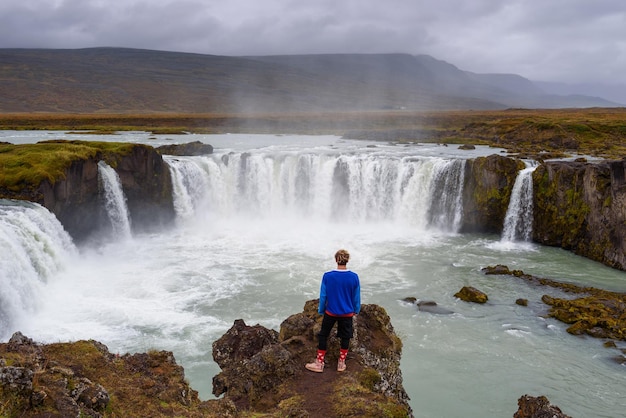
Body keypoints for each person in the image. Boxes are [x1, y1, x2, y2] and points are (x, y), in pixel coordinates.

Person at [305, 249, 361, 373]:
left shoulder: (328, 276)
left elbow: (323, 295)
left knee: (323, 335)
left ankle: (319, 363)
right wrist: (356, 309)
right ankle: (341, 363)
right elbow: (356, 297)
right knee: (345, 337)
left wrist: (321, 310)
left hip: (331, 312)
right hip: (347, 313)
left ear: (336, 260)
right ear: (347, 260)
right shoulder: (354, 277)